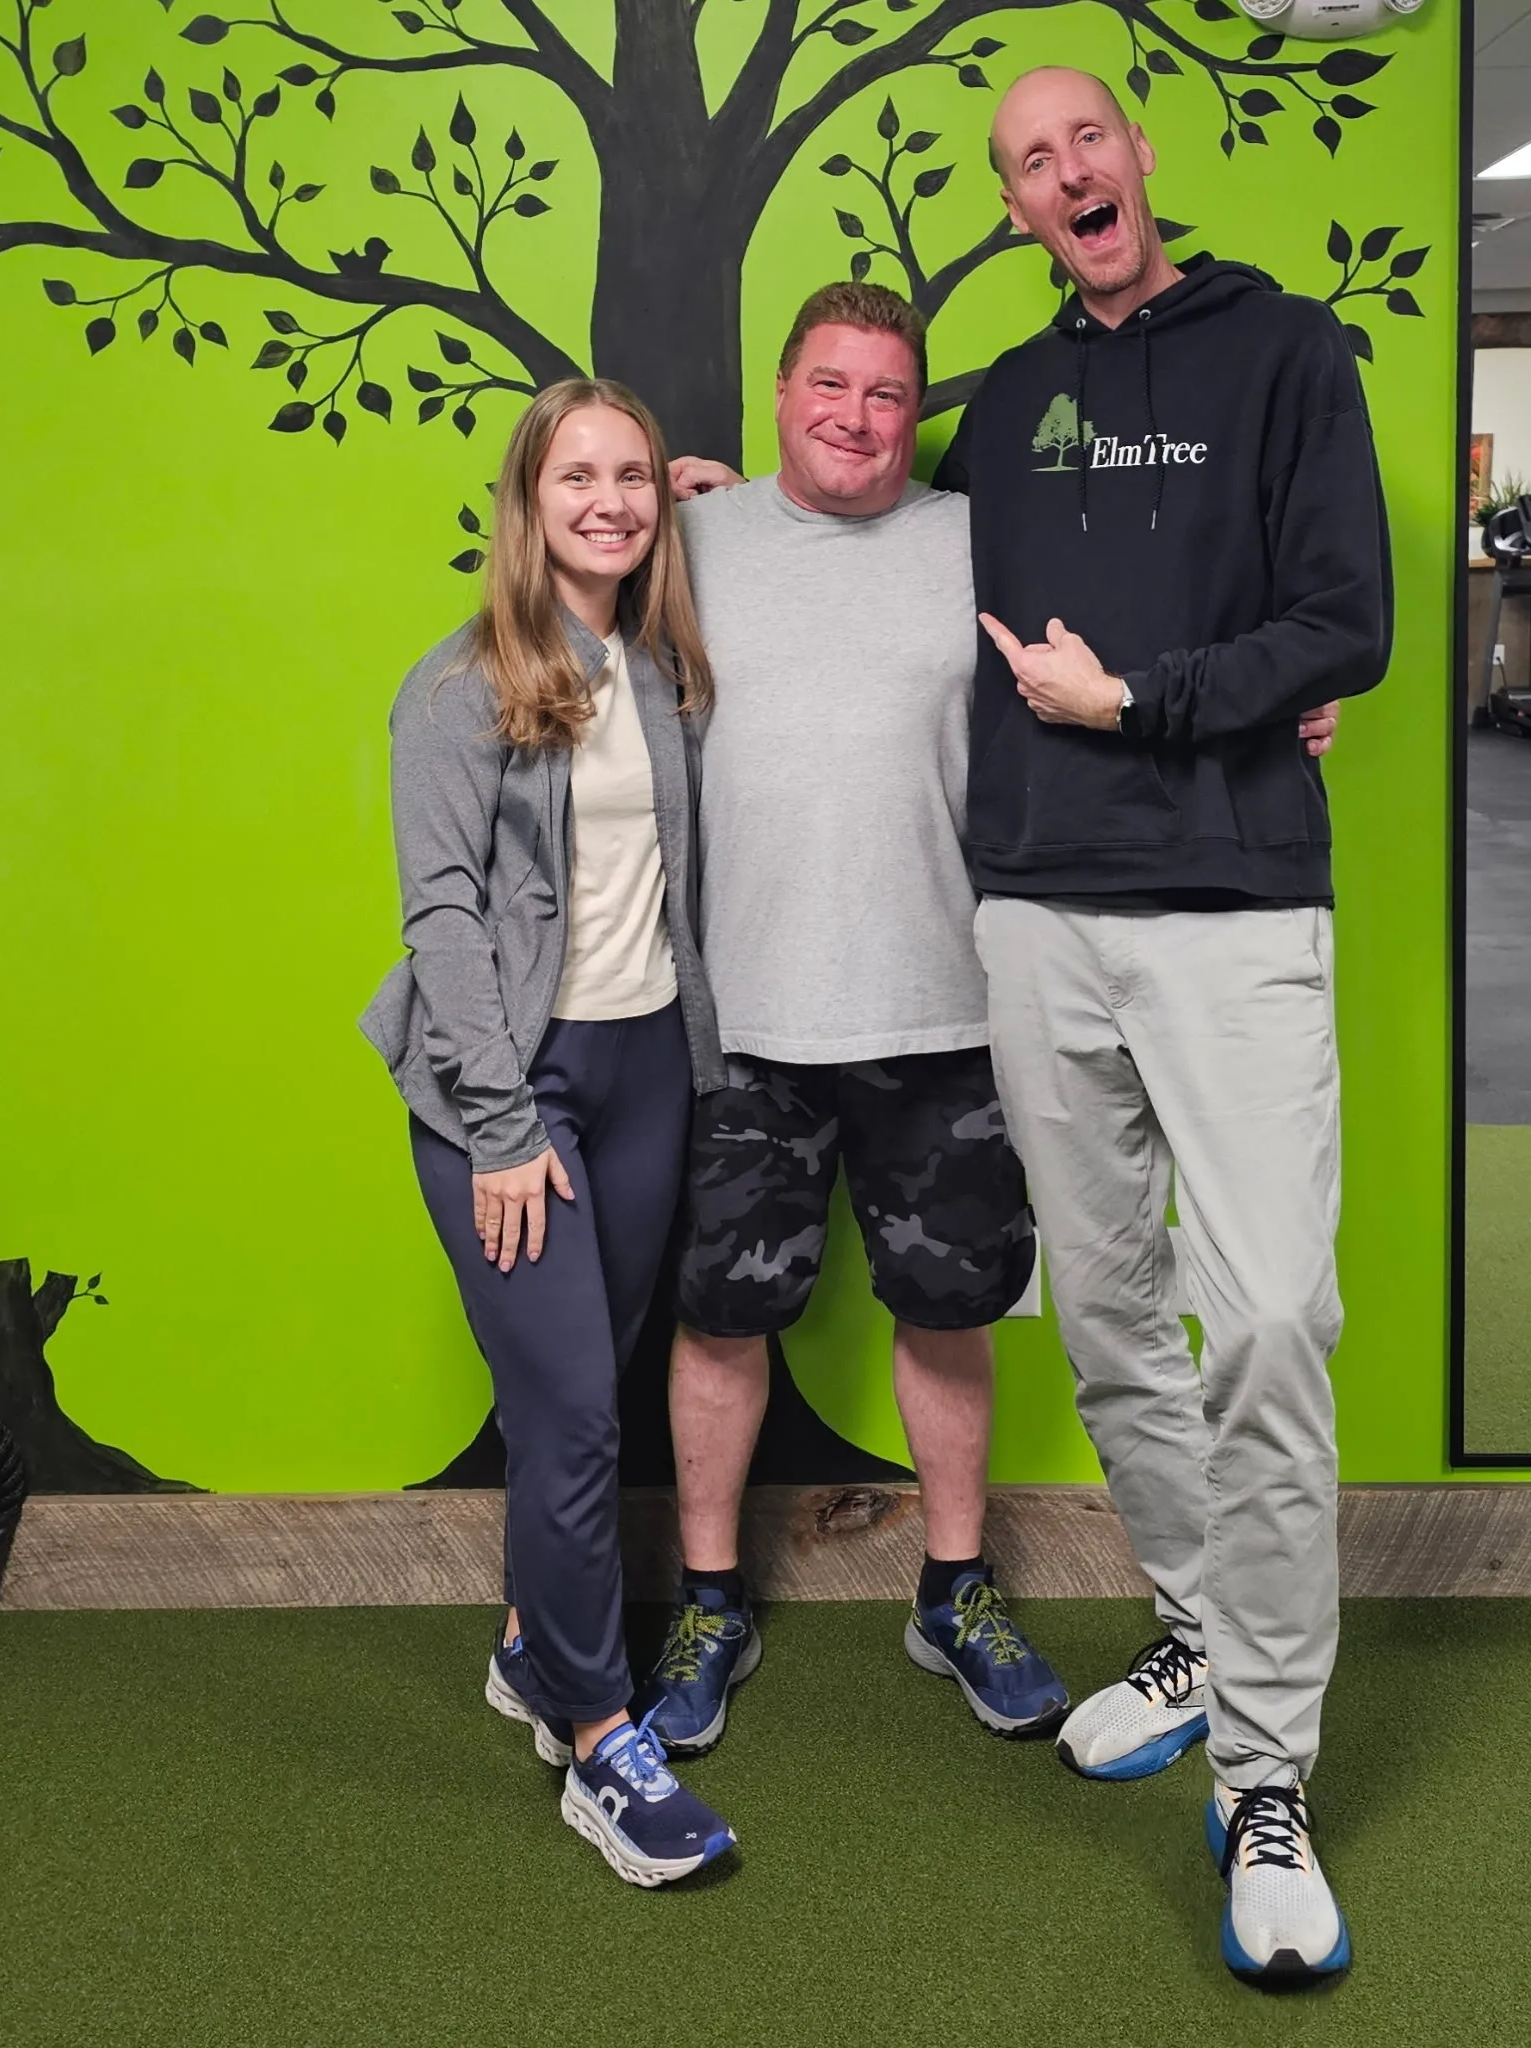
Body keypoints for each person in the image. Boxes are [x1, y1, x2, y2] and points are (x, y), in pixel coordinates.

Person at [934, 68, 1393, 1984]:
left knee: (1269, 1317)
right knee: (1113, 1313)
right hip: (1041, 911)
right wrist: (724, 507)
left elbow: (1347, 623)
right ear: (1021, 212)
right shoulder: (1001, 409)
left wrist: (1149, 701)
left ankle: (1266, 1781)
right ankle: (1203, 1626)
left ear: (1138, 156)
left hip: (1232, 903)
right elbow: (872, 535)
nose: (1068, 172)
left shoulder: (1288, 353)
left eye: (1087, 139)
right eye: (1030, 163)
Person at [641, 284, 1071, 1755]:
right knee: (719, 1316)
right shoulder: (690, 542)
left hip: (944, 1007)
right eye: (829, 385)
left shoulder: (980, 540)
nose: (857, 416)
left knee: (951, 1310)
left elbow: (1132, 632)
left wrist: (1288, 704)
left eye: (887, 393)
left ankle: (954, 1590)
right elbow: (554, 603)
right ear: (780, 394)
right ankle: (711, 1601)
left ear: (914, 412)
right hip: (740, 1019)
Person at [359, 377, 736, 1889]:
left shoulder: (662, 664)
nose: (609, 502)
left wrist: (721, 507)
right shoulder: (458, 688)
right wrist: (504, 1128)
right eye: (575, 476)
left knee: (587, 1392)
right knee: (577, 1415)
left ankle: (532, 1641)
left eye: (632, 476)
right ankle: (599, 1737)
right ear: (526, 501)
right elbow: (441, 918)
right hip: (512, 1087)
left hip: (650, 1072)